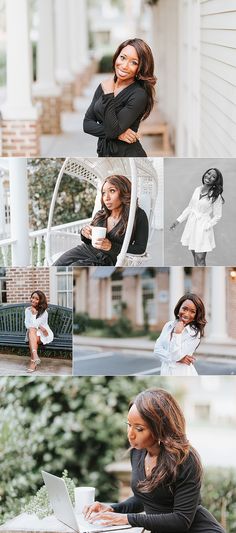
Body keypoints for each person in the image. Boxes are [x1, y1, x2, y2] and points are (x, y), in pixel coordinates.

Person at [83, 388, 225, 533]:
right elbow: (145, 499)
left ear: (160, 428)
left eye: (139, 429)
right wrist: (113, 508)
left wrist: (126, 519)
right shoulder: (137, 453)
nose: (130, 434)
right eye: (129, 425)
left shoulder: (185, 459)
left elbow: (181, 521)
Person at [83, 38, 156, 157]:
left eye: (134, 62)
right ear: (117, 56)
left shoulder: (138, 94)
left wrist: (109, 95)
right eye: (123, 57)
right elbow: (87, 124)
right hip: (105, 155)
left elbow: (112, 131)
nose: (124, 66)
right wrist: (119, 134)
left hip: (128, 156)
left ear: (140, 68)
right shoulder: (104, 86)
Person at [54, 175, 149, 266]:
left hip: (107, 259)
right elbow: (88, 240)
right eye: (103, 193)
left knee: (74, 269)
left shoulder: (138, 215)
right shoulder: (101, 214)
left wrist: (111, 246)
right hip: (86, 250)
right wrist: (84, 233)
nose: (106, 198)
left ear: (125, 192)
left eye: (112, 191)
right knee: (57, 265)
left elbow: (140, 249)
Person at [170, 168, 225, 266]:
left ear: (216, 181)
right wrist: (178, 221)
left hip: (203, 226)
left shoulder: (216, 196)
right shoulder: (197, 189)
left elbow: (218, 216)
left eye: (213, 177)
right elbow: (190, 208)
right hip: (192, 225)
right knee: (195, 256)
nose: (209, 177)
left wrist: (206, 226)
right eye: (208, 173)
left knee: (200, 258)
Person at [153, 293, 206, 376]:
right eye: (184, 309)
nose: (187, 314)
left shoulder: (195, 334)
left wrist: (177, 333)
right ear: (178, 309)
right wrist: (178, 359)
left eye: (192, 312)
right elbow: (156, 350)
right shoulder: (168, 325)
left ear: (196, 315)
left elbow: (175, 356)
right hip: (165, 372)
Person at [25, 290, 54, 372]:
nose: (33, 300)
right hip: (32, 333)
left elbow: (35, 325)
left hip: (43, 334)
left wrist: (34, 315)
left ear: (40, 301)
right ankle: (35, 356)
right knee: (31, 330)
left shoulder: (44, 312)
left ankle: (33, 360)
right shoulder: (27, 310)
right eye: (32, 297)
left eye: (36, 299)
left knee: (32, 332)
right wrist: (38, 326)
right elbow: (27, 324)